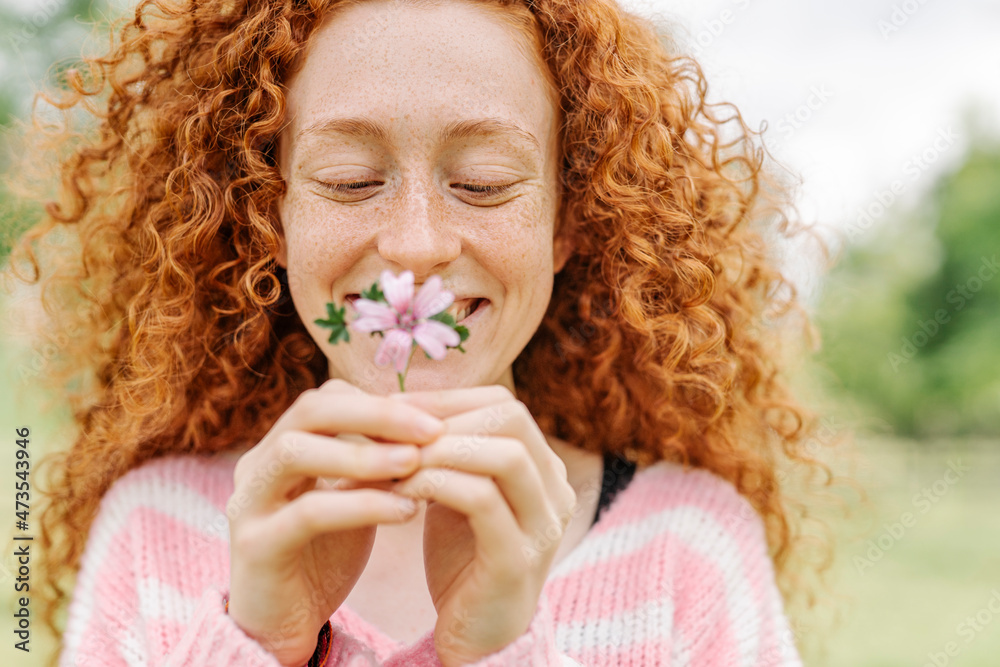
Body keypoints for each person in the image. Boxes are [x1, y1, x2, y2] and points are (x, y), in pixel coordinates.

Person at [2, 0, 847, 665]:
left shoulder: (690, 551)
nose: (415, 245)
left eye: (482, 183)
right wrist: (258, 645)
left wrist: (498, 654)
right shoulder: (153, 531)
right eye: (350, 179)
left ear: (567, 220)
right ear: (276, 213)